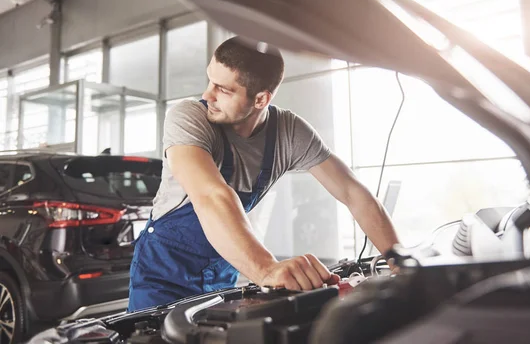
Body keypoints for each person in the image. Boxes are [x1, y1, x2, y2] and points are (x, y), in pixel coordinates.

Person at [127, 36, 400, 312]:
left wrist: (401, 263)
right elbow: (211, 195)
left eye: (223, 89)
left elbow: (354, 193)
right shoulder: (188, 117)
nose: (207, 95)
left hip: (223, 272)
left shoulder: (288, 132)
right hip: (161, 273)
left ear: (260, 99)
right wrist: (266, 269)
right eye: (210, 81)